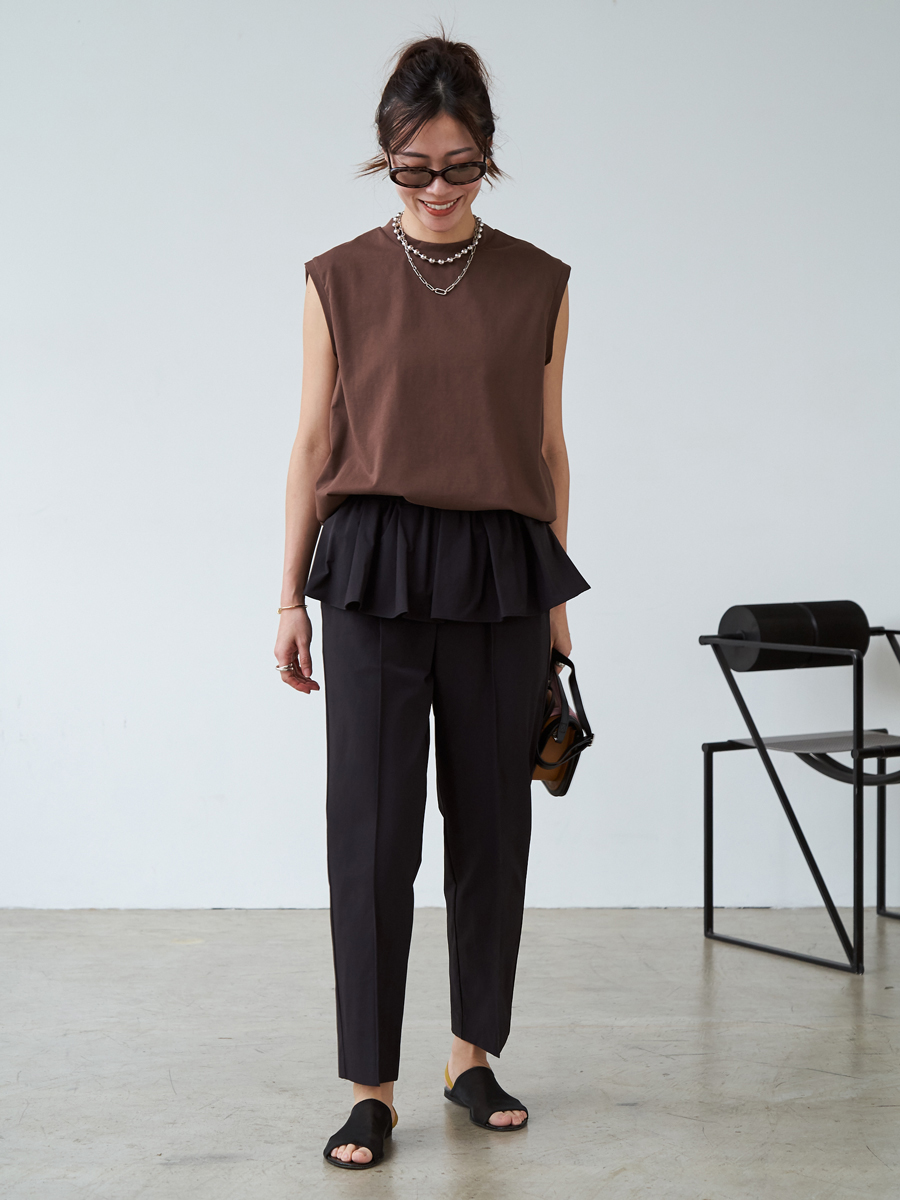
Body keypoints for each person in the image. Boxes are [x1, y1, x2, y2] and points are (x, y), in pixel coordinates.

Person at [274, 33, 589, 1170]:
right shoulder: (337, 279)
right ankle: (371, 1087)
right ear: (386, 158)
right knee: (370, 835)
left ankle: (471, 1056)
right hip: (368, 565)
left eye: (460, 168)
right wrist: (286, 595)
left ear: (488, 155)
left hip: (503, 567)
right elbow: (312, 443)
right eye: (415, 169)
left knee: (493, 825)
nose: (439, 189)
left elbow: (549, 448)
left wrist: (558, 606)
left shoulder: (540, 281)